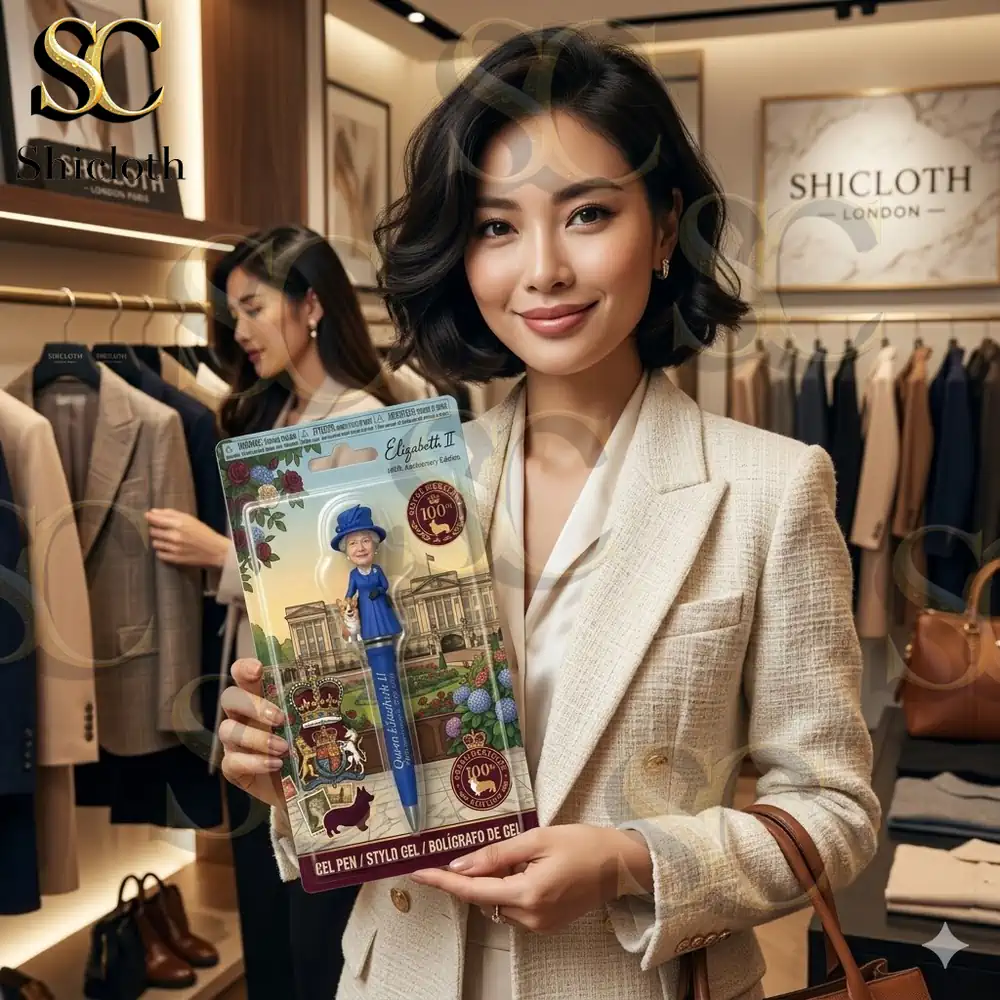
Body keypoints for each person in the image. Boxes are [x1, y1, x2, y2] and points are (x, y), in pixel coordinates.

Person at [216, 28, 880, 1000]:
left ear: (662, 232)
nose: (542, 270)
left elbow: (833, 813)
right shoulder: (396, 491)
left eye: (588, 214)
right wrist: (292, 776)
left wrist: (631, 859)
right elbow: (378, 791)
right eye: (494, 226)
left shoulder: (771, 489)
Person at [145, 224, 395, 1000]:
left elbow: (353, 580)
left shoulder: (360, 418)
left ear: (312, 304)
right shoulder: (275, 413)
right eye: (235, 314)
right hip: (256, 715)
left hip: (323, 717)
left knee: (318, 941)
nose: (240, 331)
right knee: (271, 936)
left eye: (254, 308)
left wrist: (217, 554)